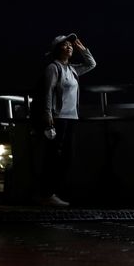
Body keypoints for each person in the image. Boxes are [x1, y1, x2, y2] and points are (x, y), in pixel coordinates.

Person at [36, 33, 96, 207]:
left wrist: (82, 49)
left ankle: (50, 193)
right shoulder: (54, 68)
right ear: (56, 49)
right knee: (53, 157)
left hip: (71, 118)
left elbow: (91, 64)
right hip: (57, 118)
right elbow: (47, 92)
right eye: (65, 44)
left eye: (71, 44)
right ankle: (46, 194)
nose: (69, 46)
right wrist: (48, 115)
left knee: (67, 157)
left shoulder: (72, 69)